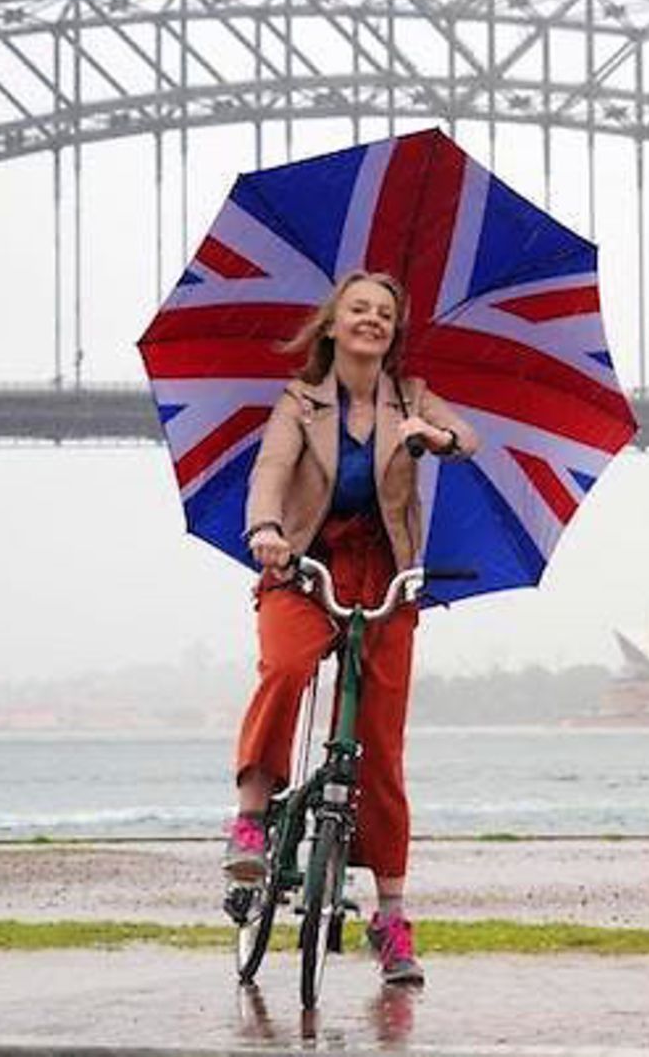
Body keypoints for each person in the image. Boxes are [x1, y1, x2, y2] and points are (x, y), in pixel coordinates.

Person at [225, 269, 479, 986]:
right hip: (305, 566)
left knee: (382, 753)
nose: (372, 320)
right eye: (358, 309)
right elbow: (271, 470)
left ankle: (390, 920)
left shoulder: (412, 398)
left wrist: (436, 435)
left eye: (385, 314)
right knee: (286, 667)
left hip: (385, 577)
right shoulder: (298, 403)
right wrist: (267, 529)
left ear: (393, 333)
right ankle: (250, 814)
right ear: (332, 325)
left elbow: (470, 438)